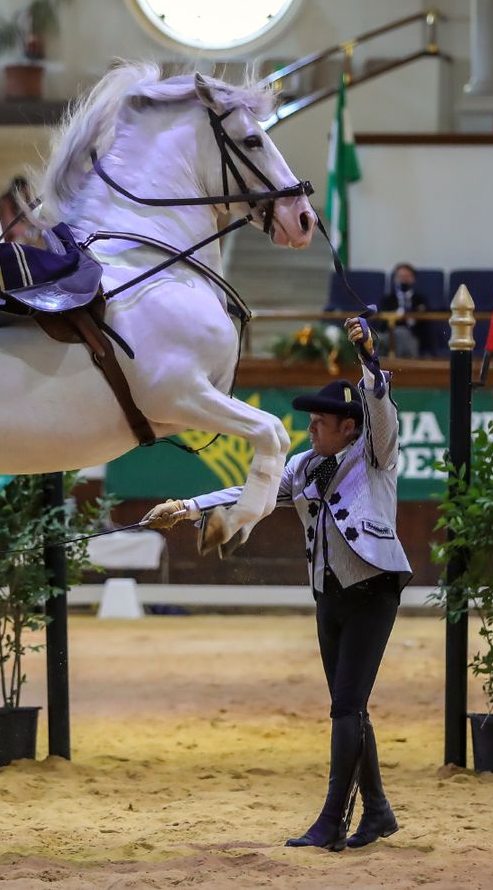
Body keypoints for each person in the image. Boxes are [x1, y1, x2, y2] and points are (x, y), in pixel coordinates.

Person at [147, 316, 410, 852]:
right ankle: (377, 810)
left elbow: (380, 403)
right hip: (328, 593)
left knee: (345, 707)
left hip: (372, 589)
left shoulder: (376, 454)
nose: (311, 428)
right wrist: (186, 508)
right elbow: (252, 495)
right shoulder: (303, 466)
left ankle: (332, 821)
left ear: (349, 428)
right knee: (348, 704)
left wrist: (367, 355)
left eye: (321, 422)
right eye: (312, 421)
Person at [377, 263, 431, 358]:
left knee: (401, 334)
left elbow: (426, 324)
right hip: (389, 336)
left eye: (407, 276)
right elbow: (382, 322)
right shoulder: (387, 300)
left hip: (413, 336)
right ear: (395, 279)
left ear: (413, 279)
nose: (403, 279)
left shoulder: (421, 300)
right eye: (400, 276)